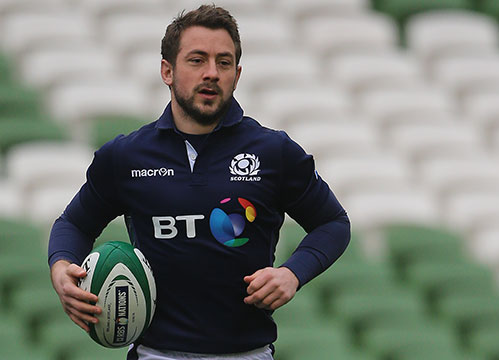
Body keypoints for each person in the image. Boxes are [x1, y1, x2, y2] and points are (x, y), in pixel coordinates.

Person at [48, 4, 350, 360]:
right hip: (154, 354)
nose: (211, 73)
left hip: (247, 353)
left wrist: (292, 273)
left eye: (223, 63)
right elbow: (74, 223)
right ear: (167, 70)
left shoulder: (274, 152)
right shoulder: (125, 157)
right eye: (197, 60)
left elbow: (333, 223)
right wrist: (61, 267)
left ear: (237, 75)